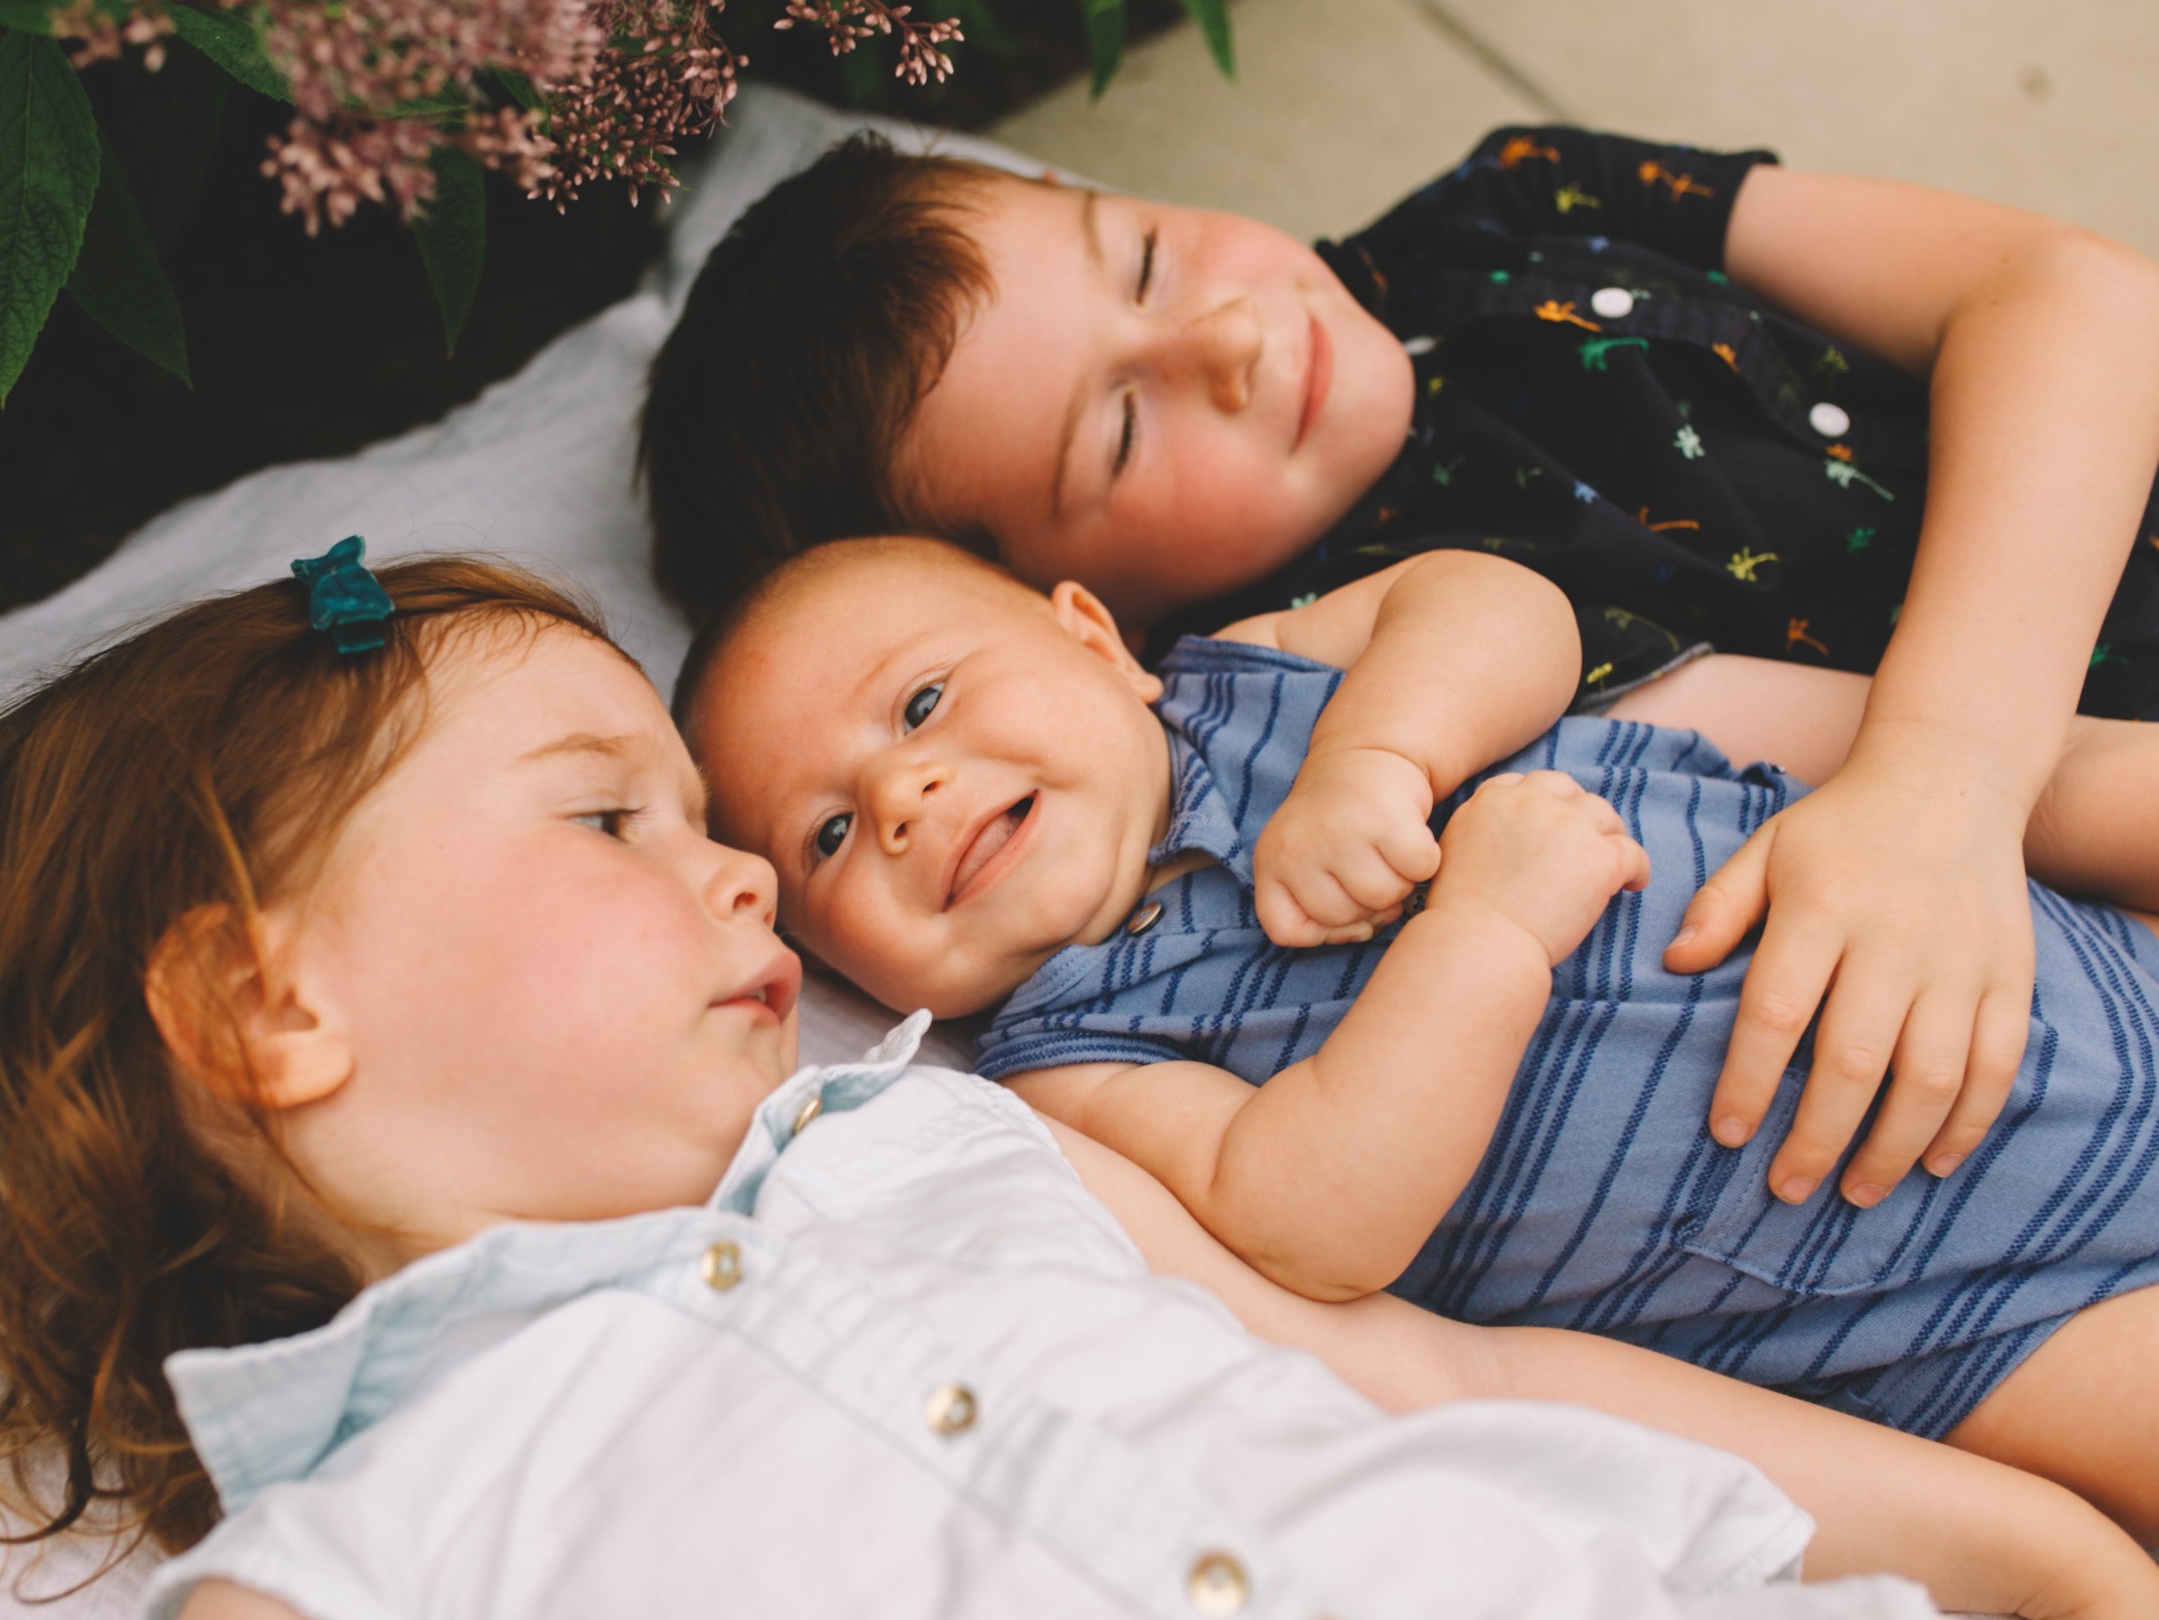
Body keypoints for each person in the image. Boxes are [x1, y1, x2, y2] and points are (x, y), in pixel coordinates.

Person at [0, 549, 2157, 1620]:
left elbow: (1436, 1370)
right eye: (611, 824)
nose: (744, 861)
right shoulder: (325, 1582)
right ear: (274, 1005)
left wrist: (2027, 1558)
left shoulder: (960, 1140)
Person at [640, 125, 2159, 1236]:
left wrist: (1946, 773)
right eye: (1117, 433)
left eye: (1146, 256)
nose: (1225, 334)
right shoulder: (1377, 714)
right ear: (1078, 619)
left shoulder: (1501, 205)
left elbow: (2071, 295)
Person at [677, 532, 2159, 1547]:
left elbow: (1502, 605)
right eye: (829, 832)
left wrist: (1382, 754)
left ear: (1092, 638)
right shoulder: (1070, 1063)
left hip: (2042, 946)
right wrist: (1483, 937)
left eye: (923, 700)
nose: (905, 796)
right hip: (1966, 1299)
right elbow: (1315, 1220)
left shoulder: (1259, 678)